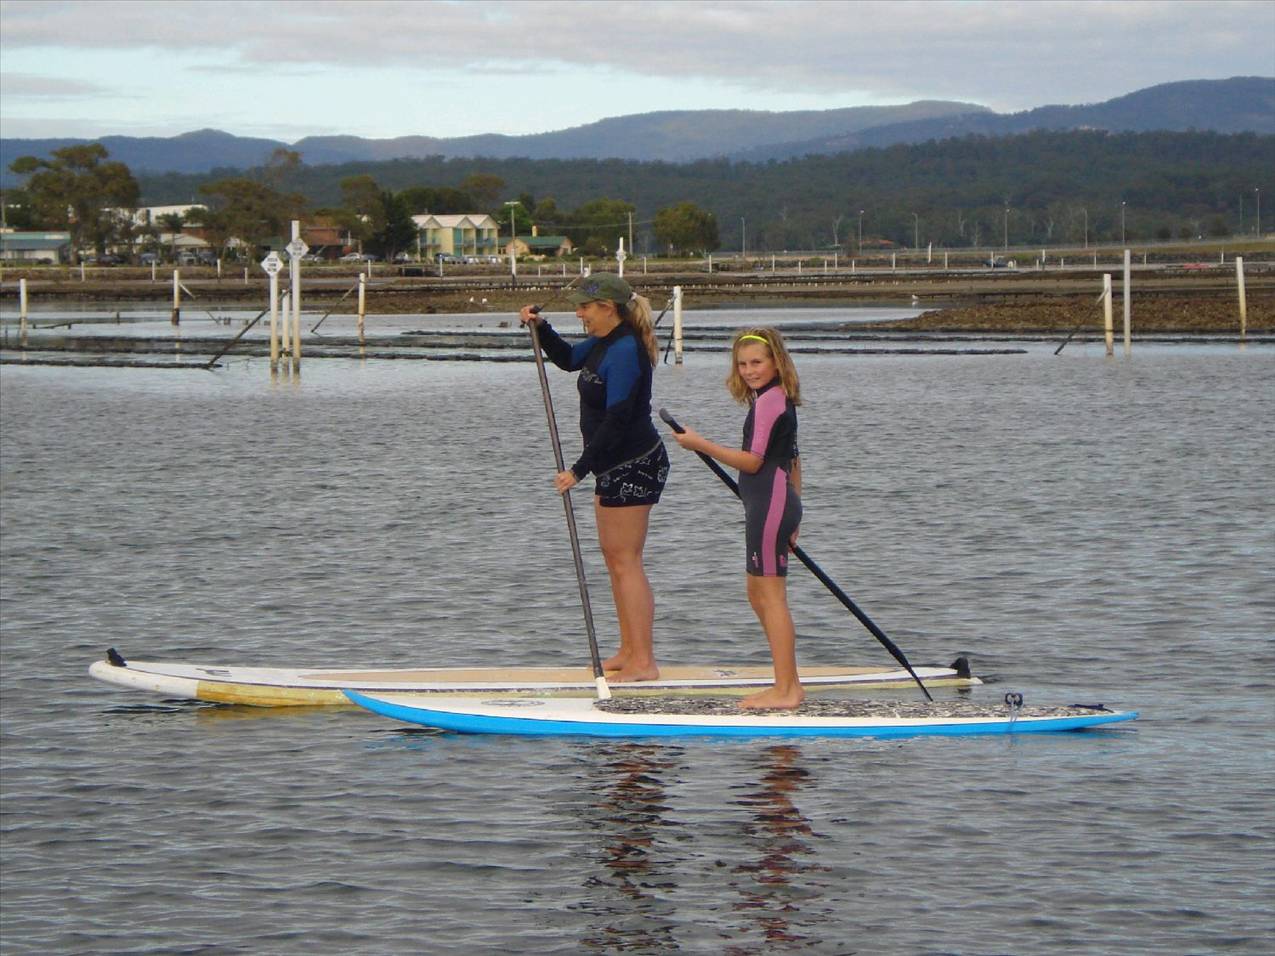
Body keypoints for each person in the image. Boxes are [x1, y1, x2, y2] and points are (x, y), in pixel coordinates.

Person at [519, 273, 668, 682]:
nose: (579, 313)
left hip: (634, 462)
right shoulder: (603, 343)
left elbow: (618, 419)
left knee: (627, 561)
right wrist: (541, 327)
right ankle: (627, 650)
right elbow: (568, 360)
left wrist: (578, 469)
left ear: (608, 308)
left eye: (585, 307)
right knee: (615, 560)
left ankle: (644, 663)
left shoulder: (624, 351)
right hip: (612, 464)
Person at [670, 327, 804, 709]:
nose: (749, 370)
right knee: (757, 593)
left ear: (776, 362)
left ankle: (785, 691)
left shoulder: (770, 402)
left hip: (770, 504)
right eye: (742, 364)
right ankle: (790, 684)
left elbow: (753, 461)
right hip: (771, 505)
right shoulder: (771, 399)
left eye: (756, 363)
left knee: (771, 597)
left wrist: (700, 444)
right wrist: (795, 517)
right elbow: (794, 461)